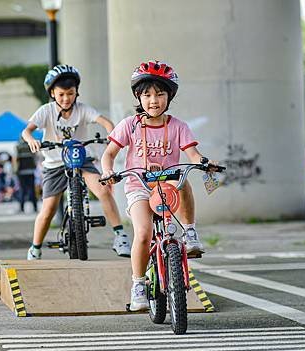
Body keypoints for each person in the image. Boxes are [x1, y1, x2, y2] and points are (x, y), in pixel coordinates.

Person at [100, 60, 219, 311]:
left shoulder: (178, 126)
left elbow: (193, 155)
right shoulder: (129, 125)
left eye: (160, 94)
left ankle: (189, 232)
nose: (154, 100)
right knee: (143, 233)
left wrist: (204, 163)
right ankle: (138, 285)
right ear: (138, 97)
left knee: (183, 176)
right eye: (147, 95)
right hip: (139, 186)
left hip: (166, 186)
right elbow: (109, 154)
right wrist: (108, 170)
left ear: (169, 96)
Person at [21, 64, 132, 260]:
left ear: (76, 92)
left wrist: (111, 135)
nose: (66, 98)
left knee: (103, 190)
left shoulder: (82, 110)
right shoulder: (46, 111)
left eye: (70, 93)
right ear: (53, 93)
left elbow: (105, 122)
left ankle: (120, 236)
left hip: (81, 159)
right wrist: (31, 139)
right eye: (61, 94)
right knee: (47, 210)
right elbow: (27, 130)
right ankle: (35, 248)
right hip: (54, 163)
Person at [16, 139, 38, 213]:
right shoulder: (30, 145)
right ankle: (35, 207)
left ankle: (22, 208)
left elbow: (16, 160)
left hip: (21, 172)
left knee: (22, 190)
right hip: (31, 171)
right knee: (32, 190)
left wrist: (16, 171)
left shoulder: (18, 147)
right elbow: (35, 158)